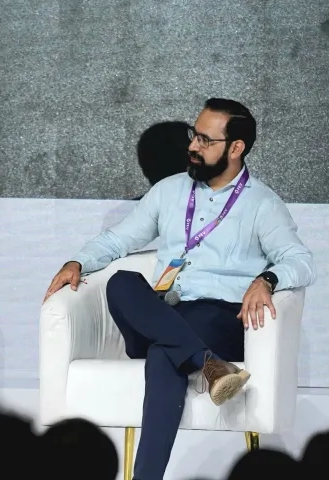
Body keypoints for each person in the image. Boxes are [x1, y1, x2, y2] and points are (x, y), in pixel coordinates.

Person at [43, 98, 315, 480]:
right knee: (122, 283)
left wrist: (267, 279)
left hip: (216, 317)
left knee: (163, 354)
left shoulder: (262, 204)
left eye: (206, 140)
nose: (193, 146)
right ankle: (210, 366)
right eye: (194, 135)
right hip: (162, 312)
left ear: (235, 148)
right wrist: (77, 262)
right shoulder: (170, 191)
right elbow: (117, 240)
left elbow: (301, 260)